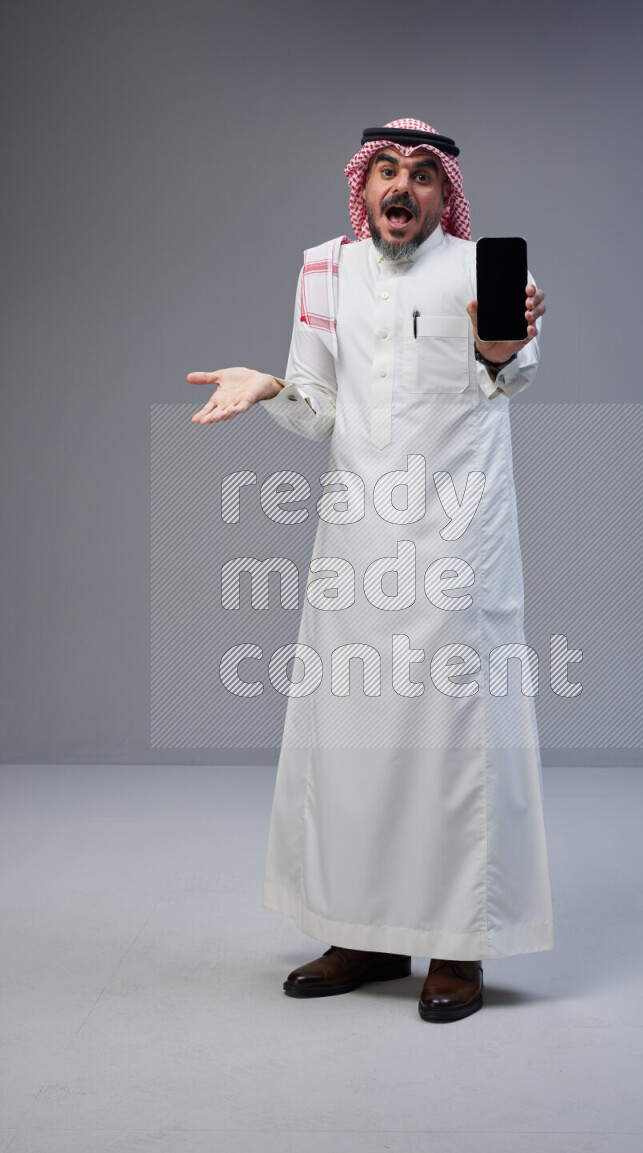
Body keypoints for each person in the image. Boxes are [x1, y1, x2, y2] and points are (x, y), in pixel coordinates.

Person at [188, 118, 553, 1023]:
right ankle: (366, 930)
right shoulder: (325, 269)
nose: (403, 187)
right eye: (387, 170)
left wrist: (497, 349)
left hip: (457, 544)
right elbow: (318, 409)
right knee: (354, 739)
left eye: (423, 175)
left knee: (453, 740)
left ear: (444, 193)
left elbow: (512, 376)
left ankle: (460, 947)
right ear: (365, 185)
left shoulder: (484, 272)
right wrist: (270, 386)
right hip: (357, 545)